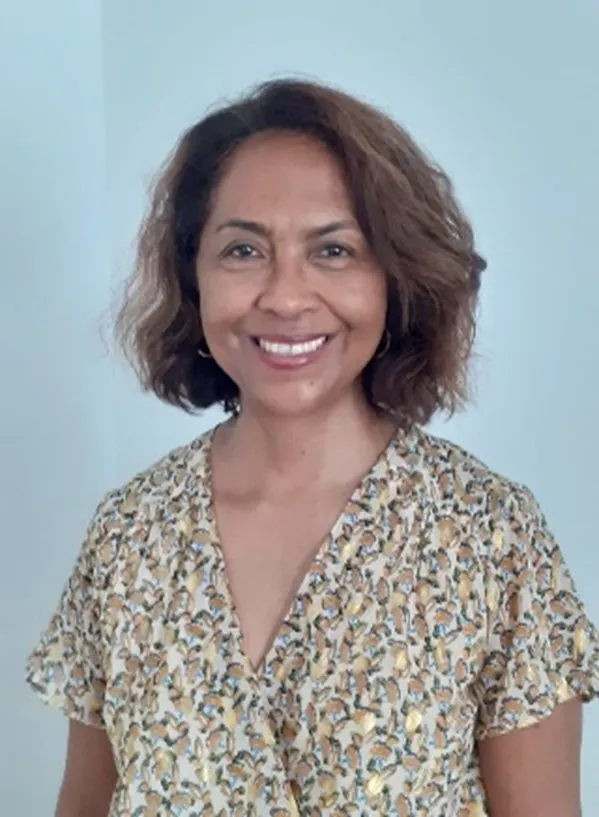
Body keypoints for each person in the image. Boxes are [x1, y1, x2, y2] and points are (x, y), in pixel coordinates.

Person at [26, 78, 598, 817]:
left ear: (393, 277)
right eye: (242, 250)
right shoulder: (127, 539)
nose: (286, 297)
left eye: (333, 249)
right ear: (192, 275)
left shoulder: (489, 538)